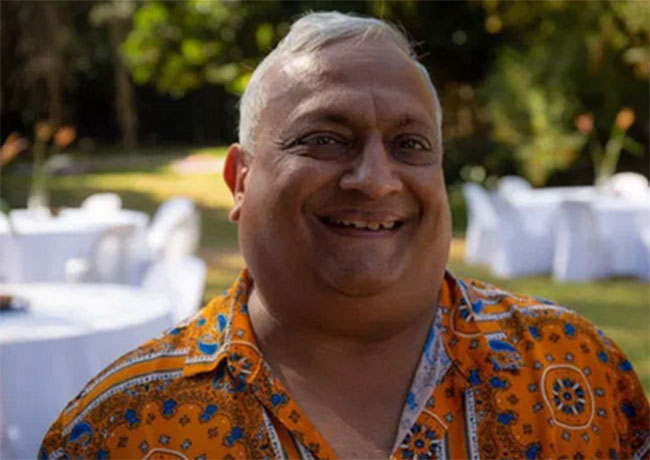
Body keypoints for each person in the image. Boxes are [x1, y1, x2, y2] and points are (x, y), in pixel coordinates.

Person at [40, 11, 648, 460]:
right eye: (325, 139)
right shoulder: (117, 432)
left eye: (410, 144)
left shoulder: (579, 371)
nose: (376, 180)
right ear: (240, 180)